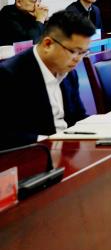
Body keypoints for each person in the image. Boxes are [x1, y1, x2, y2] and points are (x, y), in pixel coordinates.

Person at [0, 11, 95, 149]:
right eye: (74, 51)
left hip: (67, 150)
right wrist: (50, 141)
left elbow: (77, 117)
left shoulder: (69, 73)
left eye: (83, 52)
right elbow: (5, 135)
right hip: (33, 153)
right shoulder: (9, 75)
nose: (78, 59)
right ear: (48, 44)